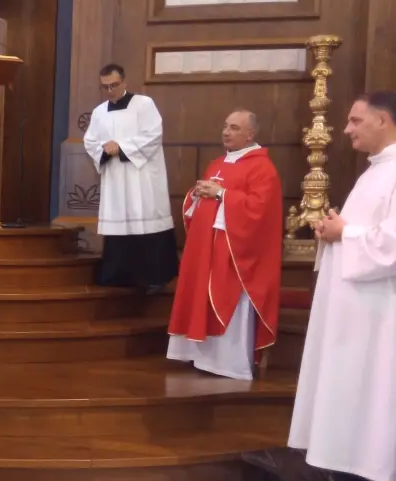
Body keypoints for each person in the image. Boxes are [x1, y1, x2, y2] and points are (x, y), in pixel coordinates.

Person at [289, 91, 396, 481]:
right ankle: (347, 459)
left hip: (379, 313)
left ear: (382, 120)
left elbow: (392, 245)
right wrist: (333, 230)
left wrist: (343, 233)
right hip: (355, 311)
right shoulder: (375, 171)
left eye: (355, 120)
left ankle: (369, 464)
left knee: (373, 393)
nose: (347, 129)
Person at [166, 109, 282, 380]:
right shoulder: (217, 164)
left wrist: (221, 194)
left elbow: (260, 210)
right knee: (199, 297)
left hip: (233, 255)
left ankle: (228, 363)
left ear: (250, 134)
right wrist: (197, 194)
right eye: (226, 126)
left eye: (234, 128)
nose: (226, 132)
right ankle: (198, 355)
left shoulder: (262, 168)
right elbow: (204, 202)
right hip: (205, 247)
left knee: (225, 299)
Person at [83, 63, 177, 294]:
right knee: (119, 222)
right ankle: (118, 276)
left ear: (124, 82)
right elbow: (90, 141)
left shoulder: (144, 104)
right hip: (116, 177)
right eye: (105, 87)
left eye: (114, 85)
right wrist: (105, 149)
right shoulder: (99, 112)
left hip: (142, 176)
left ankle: (153, 277)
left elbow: (153, 135)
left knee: (145, 218)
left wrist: (122, 147)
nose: (110, 91)